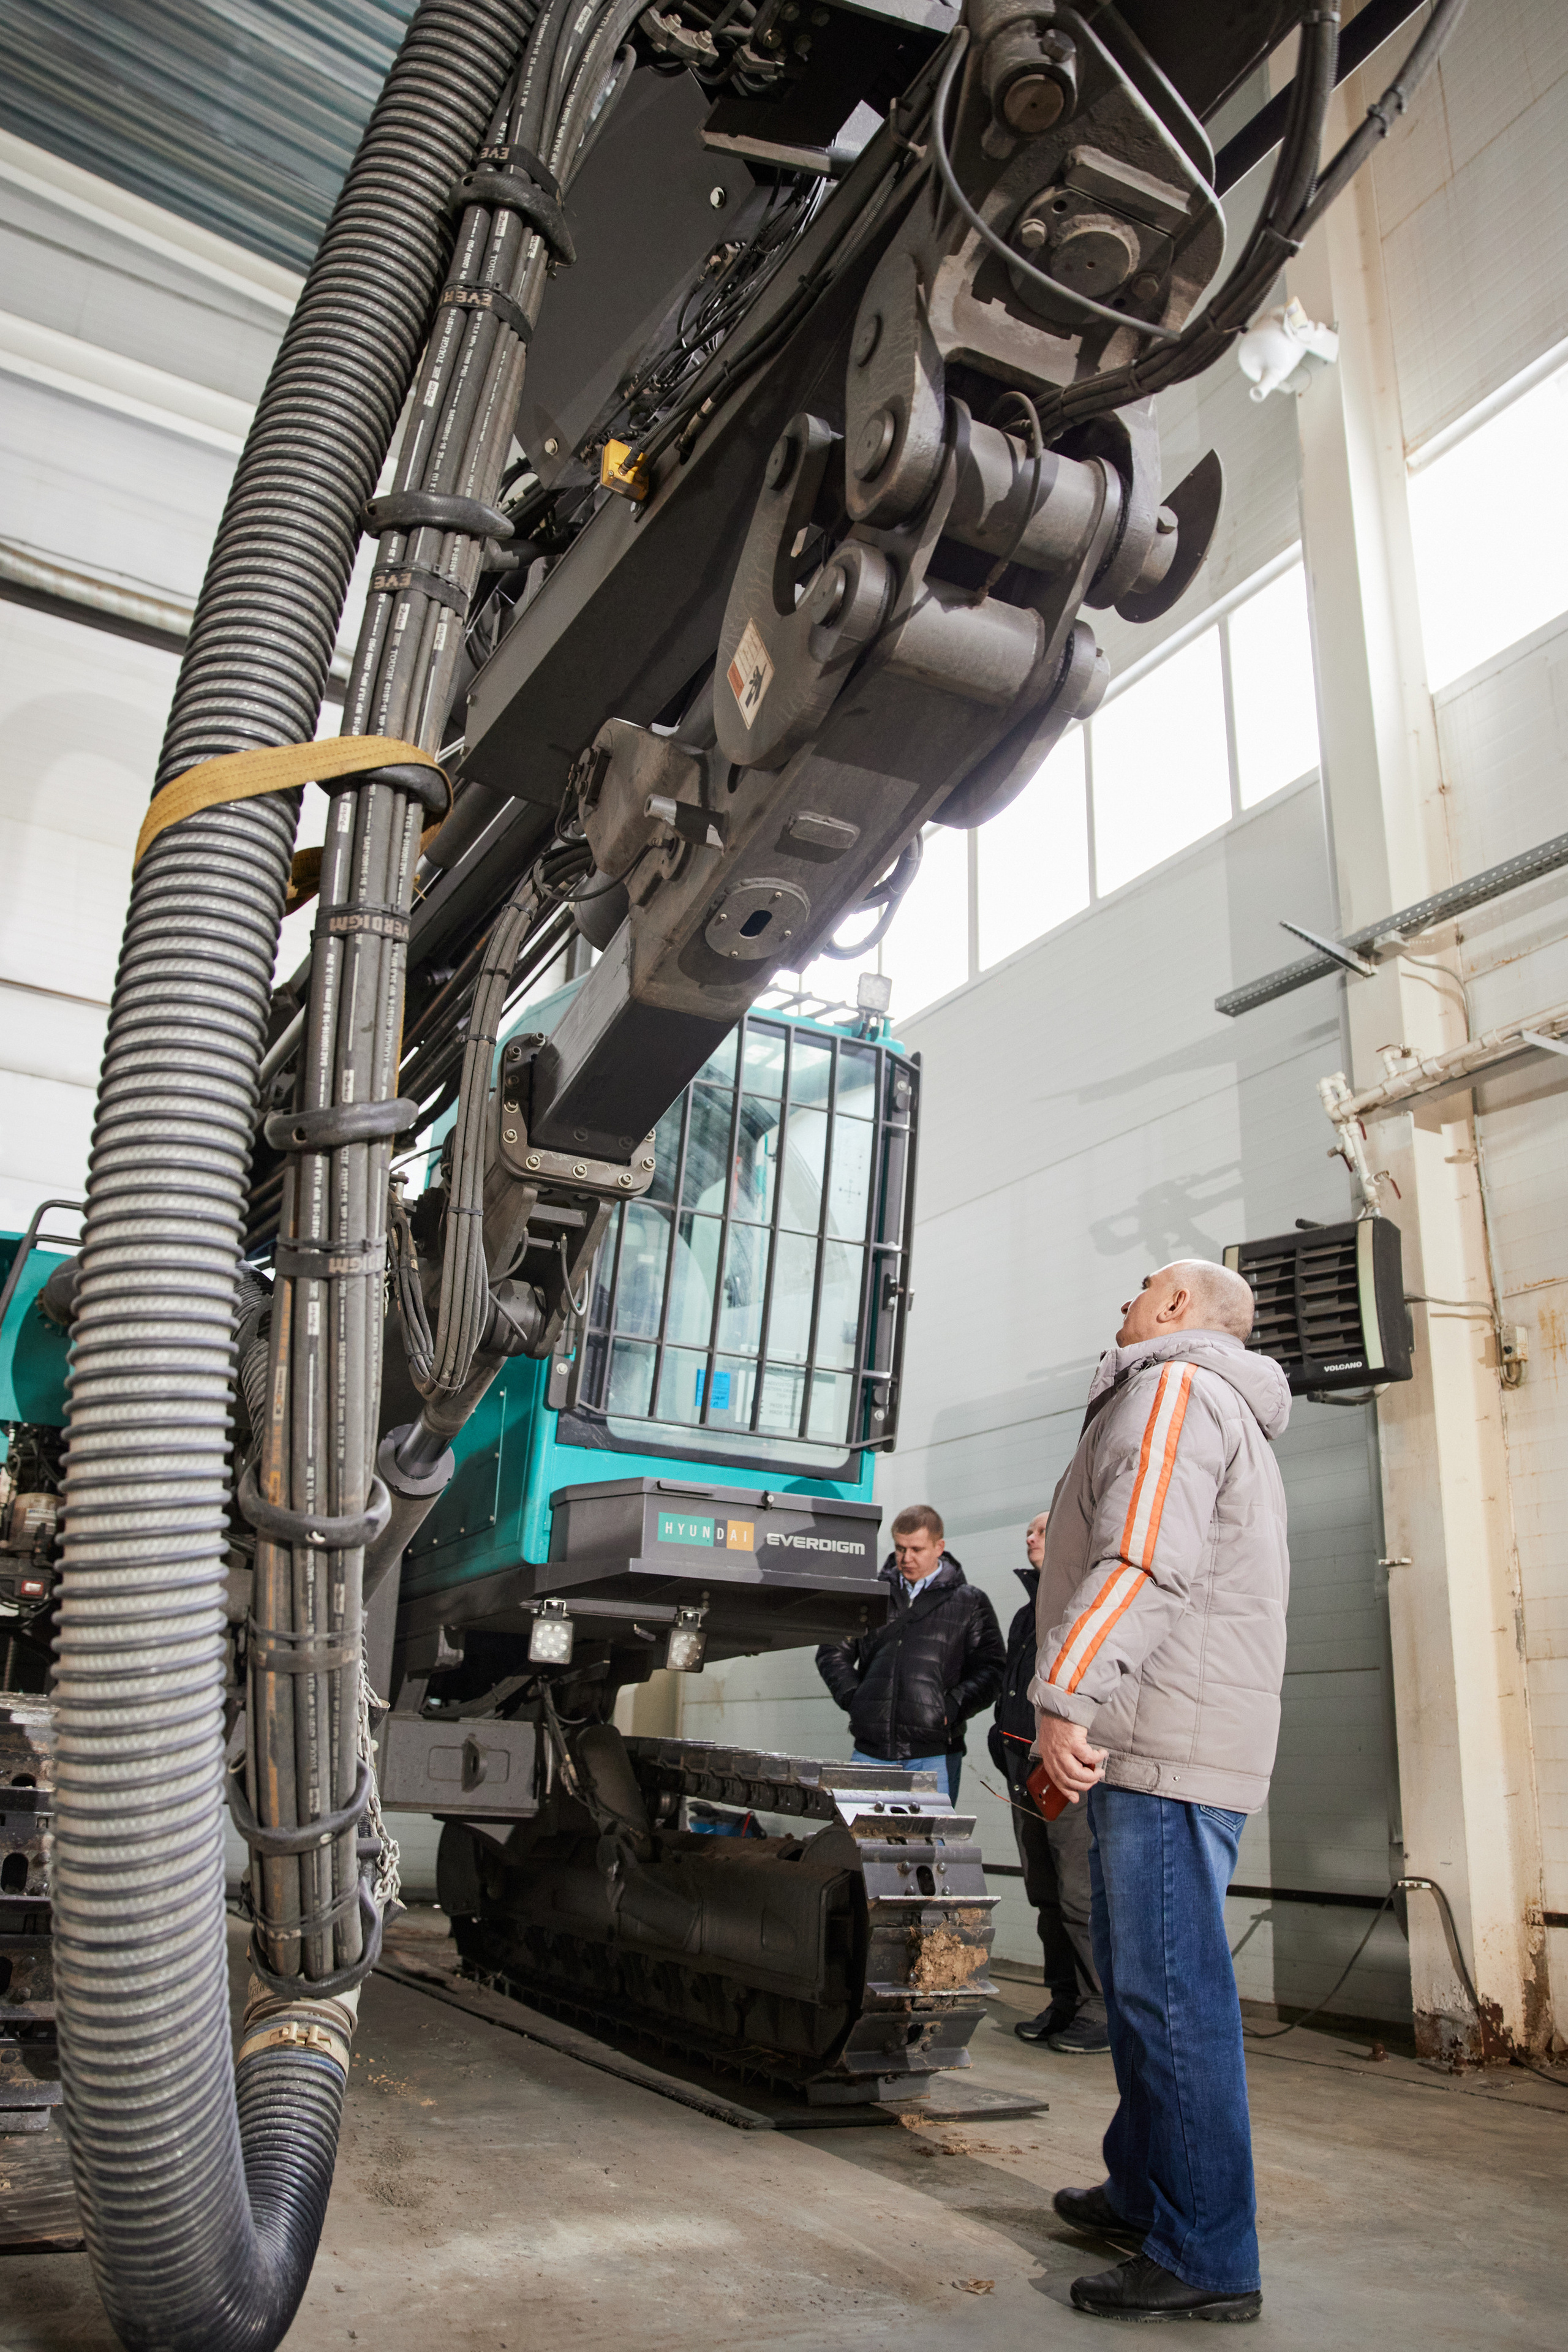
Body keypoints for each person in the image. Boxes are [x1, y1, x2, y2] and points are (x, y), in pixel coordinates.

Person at [1030, 1259, 1289, 2326]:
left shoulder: (1175, 1388)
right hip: (1162, 1736)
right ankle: (1143, 2193)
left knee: (1171, 1998)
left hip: (1167, 1744)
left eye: (1142, 1289)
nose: (1125, 1303)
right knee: (1147, 1988)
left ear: (1178, 1307)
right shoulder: (1206, 1398)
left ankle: (1206, 2253)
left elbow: (1142, 1562)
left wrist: (1065, 1695)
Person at [989, 1510, 1109, 2054]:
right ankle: (1065, 2000)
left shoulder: (1081, 1605)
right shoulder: (1026, 1614)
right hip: (1025, 1771)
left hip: (1065, 1771)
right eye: (1029, 1531)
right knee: (1045, 1894)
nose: (1030, 1537)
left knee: (1079, 1894)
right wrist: (1001, 1740)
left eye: (1041, 1530)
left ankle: (1099, 2007)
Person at [815, 1503, 1003, 1804]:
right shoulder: (870, 1594)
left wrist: (952, 1707)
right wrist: (856, 1699)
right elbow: (831, 1651)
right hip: (871, 1752)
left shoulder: (970, 1602)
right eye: (900, 1548)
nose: (906, 1558)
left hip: (934, 1755)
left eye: (917, 1549)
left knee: (929, 1836)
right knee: (864, 1834)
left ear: (939, 1547)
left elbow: (992, 1668)